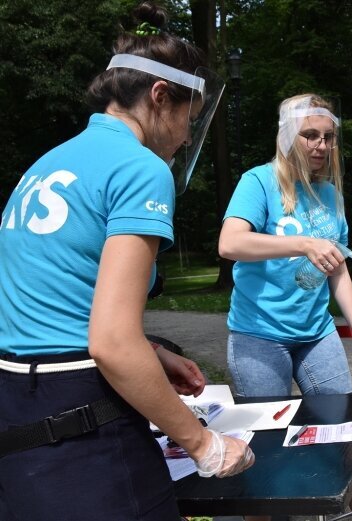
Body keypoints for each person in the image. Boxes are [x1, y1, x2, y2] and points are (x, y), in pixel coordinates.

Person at [0, 3, 254, 520]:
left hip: (17, 416)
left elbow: (48, 299)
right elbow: (111, 342)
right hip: (84, 425)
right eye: (190, 116)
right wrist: (204, 445)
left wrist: (152, 350)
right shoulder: (140, 169)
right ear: (161, 96)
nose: (187, 136)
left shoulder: (48, 162)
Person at [218, 93, 352, 521]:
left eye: (327, 137)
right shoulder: (258, 182)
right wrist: (303, 243)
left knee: (348, 436)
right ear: (288, 137)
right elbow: (230, 243)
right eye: (309, 135)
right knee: (264, 447)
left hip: (316, 334)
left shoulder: (331, 196)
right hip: (258, 336)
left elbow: (339, 271)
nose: (320, 145)